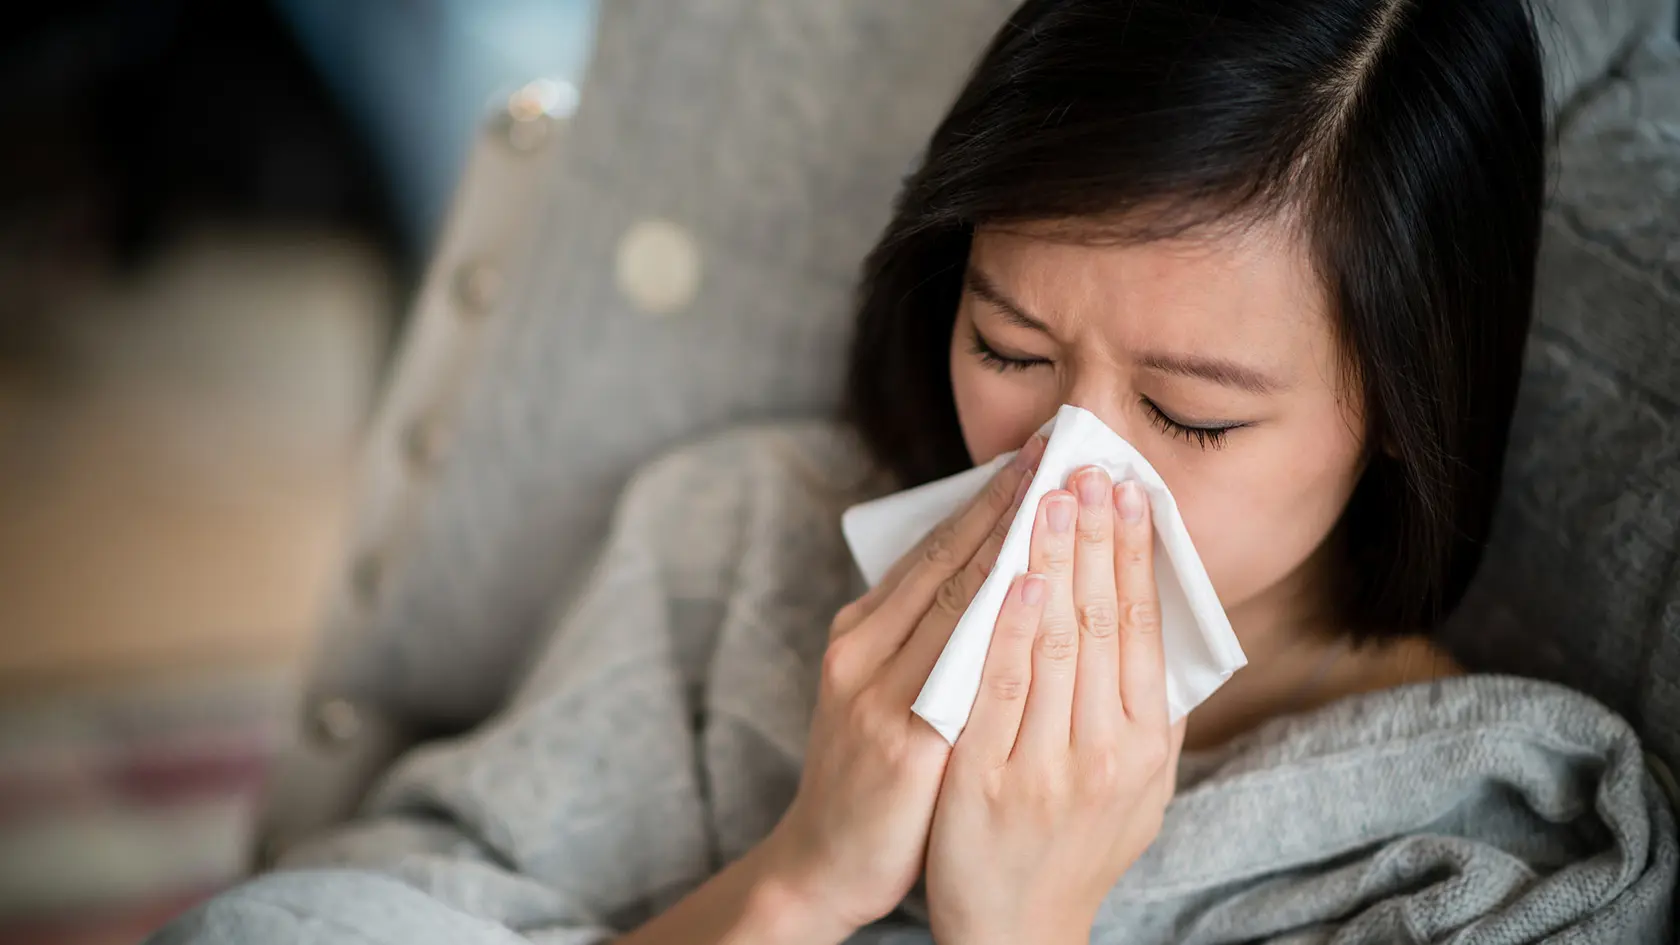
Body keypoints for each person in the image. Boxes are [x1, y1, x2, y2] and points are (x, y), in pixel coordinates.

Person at [151, 1, 1677, 943]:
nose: (1068, 467)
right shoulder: (740, 542)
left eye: (1193, 415)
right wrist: (801, 880)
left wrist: (1026, 926)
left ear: (1406, 407)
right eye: (1010, 346)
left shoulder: (1506, 834)